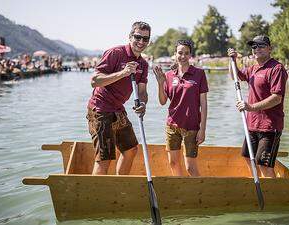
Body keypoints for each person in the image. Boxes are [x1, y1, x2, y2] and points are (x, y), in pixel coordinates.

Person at [86, 21, 151, 175]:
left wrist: (142, 103)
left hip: (118, 109)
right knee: (105, 159)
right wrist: (123, 73)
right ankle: (97, 198)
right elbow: (94, 81)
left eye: (145, 39)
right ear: (130, 37)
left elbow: (142, 92)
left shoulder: (143, 64)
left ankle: (119, 188)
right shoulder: (115, 53)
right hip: (100, 109)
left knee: (130, 150)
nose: (141, 42)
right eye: (138, 37)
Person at [227, 35, 288, 178]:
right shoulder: (253, 68)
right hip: (252, 124)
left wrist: (251, 107)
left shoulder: (276, 68)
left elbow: (277, 98)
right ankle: (257, 188)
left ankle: (271, 197)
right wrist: (233, 61)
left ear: (269, 49)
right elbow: (235, 76)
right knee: (248, 158)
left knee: (263, 165)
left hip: (269, 127)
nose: (257, 49)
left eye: (261, 46)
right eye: (254, 46)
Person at [153, 40, 208, 177]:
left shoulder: (199, 74)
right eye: (180, 53)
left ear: (190, 55)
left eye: (186, 53)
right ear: (175, 54)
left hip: (192, 127)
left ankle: (199, 195)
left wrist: (202, 129)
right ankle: (180, 193)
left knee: (190, 168)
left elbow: (204, 104)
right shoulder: (169, 76)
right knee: (173, 163)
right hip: (172, 126)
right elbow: (162, 101)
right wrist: (160, 84)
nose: (183, 56)